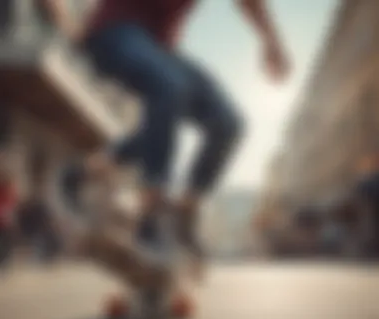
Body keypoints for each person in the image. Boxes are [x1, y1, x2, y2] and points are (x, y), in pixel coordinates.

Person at [42, 0, 291, 273]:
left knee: (227, 123)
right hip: (112, 34)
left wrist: (271, 40)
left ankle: (181, 216)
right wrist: (63, 21)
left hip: (160, 51)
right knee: (168, 87)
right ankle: (151, 216)